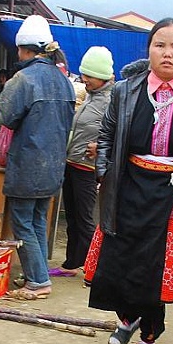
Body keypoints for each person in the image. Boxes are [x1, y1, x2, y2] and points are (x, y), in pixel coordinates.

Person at [83, 17, 173, 344]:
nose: (167, 53)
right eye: (160, 44)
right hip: (127, 187)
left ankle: (148, 336)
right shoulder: (125, 91)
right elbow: (107, 136)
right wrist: (104, 174)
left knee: (155, 270)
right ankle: (128, 317)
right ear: (149, 50)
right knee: (121, 262)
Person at [0, 15, 76, 300]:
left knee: (23, 223)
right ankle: (36, 274)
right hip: (54, 166)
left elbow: (5, 116)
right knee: (39, 220)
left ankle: (38, 281)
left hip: (28, 165)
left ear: (24, 50)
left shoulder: (24, 79)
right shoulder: (64, 80)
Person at [51, 46, 115, 278]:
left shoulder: (112, 101)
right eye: (83, 74)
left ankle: (93, 267)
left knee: (86, 220)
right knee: (73, 219)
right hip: (72, 164)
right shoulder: (90, 96)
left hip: (88, 169)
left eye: (89, 75)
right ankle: (71, 263)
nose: (84, 78)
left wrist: (101, 147)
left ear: (103, 76)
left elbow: (122, 135)